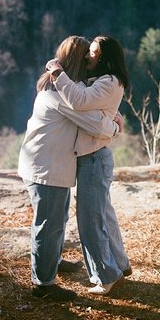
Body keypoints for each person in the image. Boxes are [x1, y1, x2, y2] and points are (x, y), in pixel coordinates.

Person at [20, 36, 122, 302]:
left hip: (53, 166)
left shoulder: (63, 88)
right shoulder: (60, 93)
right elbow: (95, 124)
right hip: (46, 167)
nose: (91, 59)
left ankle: (50, 261)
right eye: (86, 56)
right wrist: (114, 126)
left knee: (56, 221)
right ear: (77, 60)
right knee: (48, 224)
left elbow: (89, 108)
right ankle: (43, 283)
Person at [47, 35, 132, 295]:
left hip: (94, 159)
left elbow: (79, 102)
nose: (88, 56)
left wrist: (58, 73)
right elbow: (87, 105)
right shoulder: (104, 82)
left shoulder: (108, 82)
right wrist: (112, 124)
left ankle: (105, 276)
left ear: (105, 57)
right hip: (95, 157)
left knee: (90, 221)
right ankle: (119, 265)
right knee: (103, 215)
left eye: (93, 53)